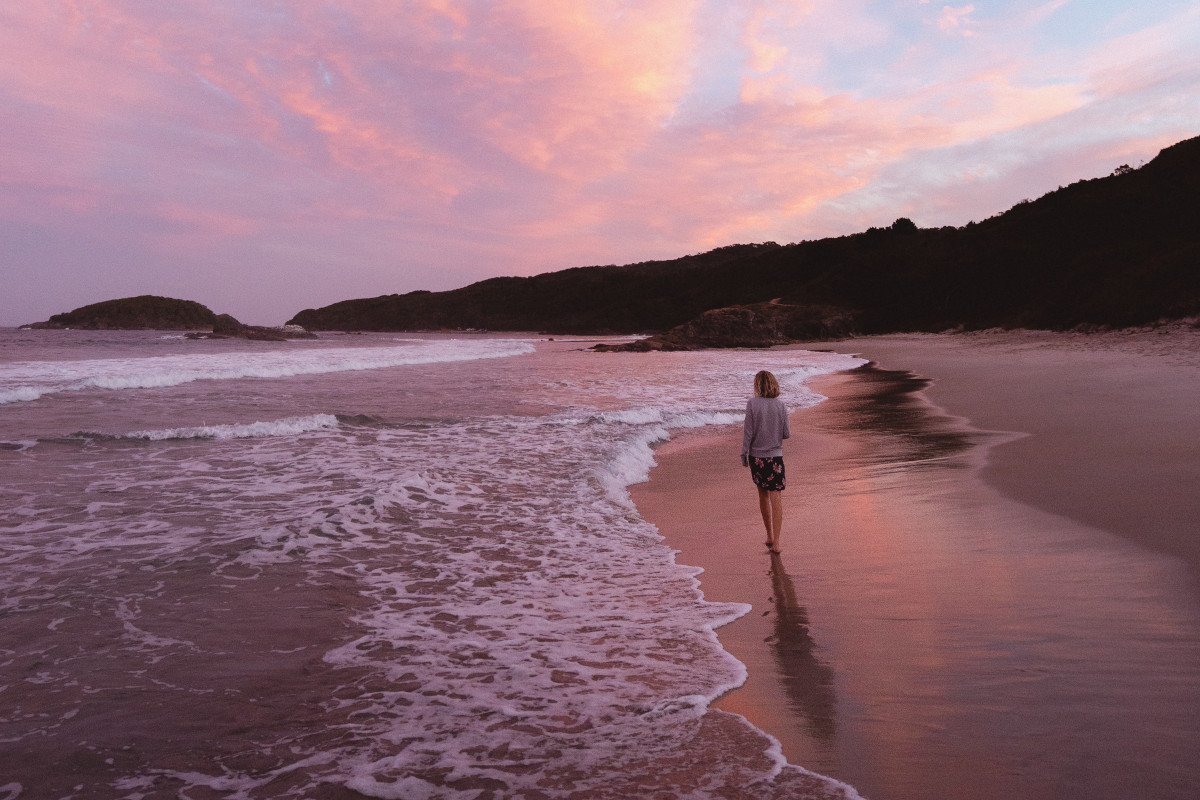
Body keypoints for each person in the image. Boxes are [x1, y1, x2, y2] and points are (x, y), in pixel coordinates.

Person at [741, 370, 790, 553]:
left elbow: (748, 432)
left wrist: (743, 454)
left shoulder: (752, 404)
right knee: (776, 497)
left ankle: (768, 535)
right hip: (775, 457)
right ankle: (776, 542)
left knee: (763, 495)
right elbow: (787, 433)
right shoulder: (781, 406)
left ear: (757, 385)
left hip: (757, 458)